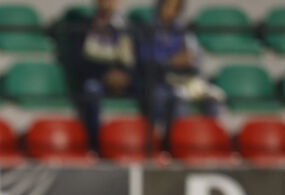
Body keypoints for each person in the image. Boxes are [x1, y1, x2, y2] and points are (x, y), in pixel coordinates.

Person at [135, 0, 223, 131]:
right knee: (176, 97)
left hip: (185, 79)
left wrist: (191, 60)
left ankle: (207, 138)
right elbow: (145, 60)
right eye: (168, 6)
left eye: (176, 7)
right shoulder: (147, 30)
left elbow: (196, 61)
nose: (171, 11)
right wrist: (171, 61)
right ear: (160, 6)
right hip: (160, 81)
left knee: (214, 97)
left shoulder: (184, 31)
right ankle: (174, 142)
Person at [73, 0, 136, 152]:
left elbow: (136, 59)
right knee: (91, 89)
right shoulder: (85, 26)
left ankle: (145, 146)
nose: (107, 3)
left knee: (154, 89)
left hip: (125, 79)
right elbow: (79, 61)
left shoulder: (127, 26)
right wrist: (105, 75)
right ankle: (94, 145)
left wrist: (126, 75)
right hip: (98, 78)